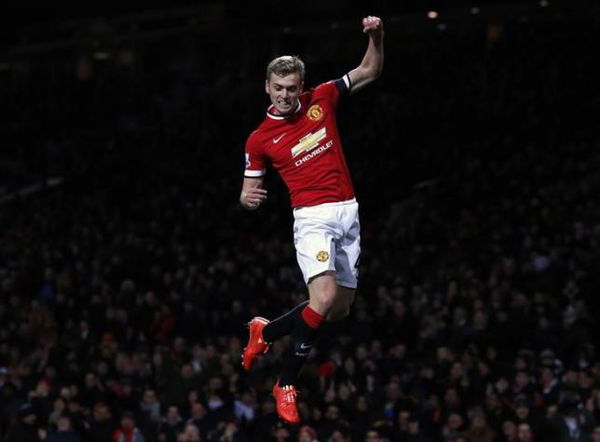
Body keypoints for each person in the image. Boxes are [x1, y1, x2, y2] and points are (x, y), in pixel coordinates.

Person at [240, 15, 384, 424]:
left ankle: (264, 333)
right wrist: (249, 199)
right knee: (321, 300)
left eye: (291, 88)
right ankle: (285, 382)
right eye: (278, 88)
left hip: (348, 214)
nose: (285, 95)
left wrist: (376, 36)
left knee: (338, 310)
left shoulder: (322, 99)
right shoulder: (259, 139)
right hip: (312, 219)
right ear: (267, 87)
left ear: (301, 87)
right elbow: (248, 188)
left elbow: (370, 69)